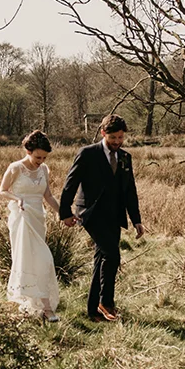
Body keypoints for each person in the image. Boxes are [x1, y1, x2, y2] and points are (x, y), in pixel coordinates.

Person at [59, 114, 144, 322]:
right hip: (90, 213)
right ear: (103, 133)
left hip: (114, 215)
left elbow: (130, 191)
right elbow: (71, 183)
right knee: (112, 255)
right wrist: (65, 213)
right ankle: (107, 302)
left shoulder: (125, 158)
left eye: (120, 138)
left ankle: (93, 311)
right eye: (113, 137)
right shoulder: (87, 154)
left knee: (101, 259)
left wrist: (136, 220)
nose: (117, 142)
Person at [0, 131, 62, 322]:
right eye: (37, 157)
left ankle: (40, 304)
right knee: (29, 259)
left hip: (37, 217)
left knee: (43, 260)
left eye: (44, 157)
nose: (40, 161)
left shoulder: (43, 169)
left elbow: (48, 195)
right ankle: (43, 307)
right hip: (21, 217)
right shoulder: (15, 168)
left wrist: (62, 212)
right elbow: (2, 191)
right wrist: (17, 199)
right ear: (28, 151)